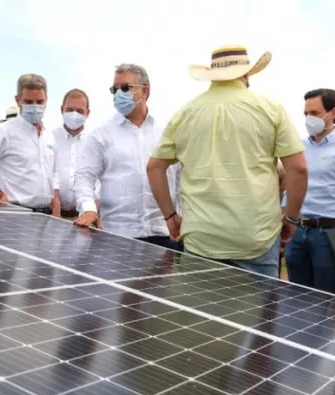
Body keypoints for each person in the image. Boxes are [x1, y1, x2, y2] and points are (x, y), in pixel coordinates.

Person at [147, 45, 307, 276]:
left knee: (201, 311)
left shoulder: (185, 113)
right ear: (246, 73)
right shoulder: (270, 109)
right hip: (256, 237)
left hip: (200, 237)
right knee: (258, 310)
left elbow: (154, 167)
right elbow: (298, 169)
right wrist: (291, 218)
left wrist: (171, 216)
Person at [73, 64, 182, 250]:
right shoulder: (101, 135)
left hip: (164, 235)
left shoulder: (168, 132)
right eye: (114, 90)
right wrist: (89, 208)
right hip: (116, 236)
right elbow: (84, 177)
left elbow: (179, 180)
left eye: (125, 88)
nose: (118, 94)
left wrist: (181, 218)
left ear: (145, 91)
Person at [284, 88, 335, 294]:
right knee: (297, 299)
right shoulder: (298, 147)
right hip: (297, 231)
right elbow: (291, 187)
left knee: (327, 300)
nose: (309, 119)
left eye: (314, 113)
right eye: (305, 114)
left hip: (329, 234)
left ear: (333, 113)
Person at [0, 74, 57, 213]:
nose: (35, 106)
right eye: (29, 102)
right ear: (18, 100)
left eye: (39, 101)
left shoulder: (48, 136)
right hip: (13, 214)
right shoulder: (3, 132)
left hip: (44, 216)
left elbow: (53, 176)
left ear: (46, 100)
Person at [52, 88, 96, 219]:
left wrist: (91, 209)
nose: (74, 114)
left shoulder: (95, 141)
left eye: (80, 111)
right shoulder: (49, 139)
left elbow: (100, 179)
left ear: (87, 113)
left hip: (85, 218)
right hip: (53, 216)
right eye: (70, 110)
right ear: (62, 109)